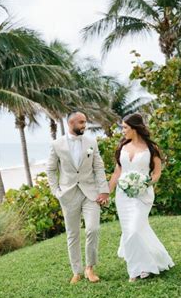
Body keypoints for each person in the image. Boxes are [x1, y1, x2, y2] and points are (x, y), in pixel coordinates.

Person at [109, 113, 174, 282]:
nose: (122, 131)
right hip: (122, 196)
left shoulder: (152, 148)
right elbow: (117, 172)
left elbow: (157, 173)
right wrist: (107, 192)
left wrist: (144, 184)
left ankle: (135, 270)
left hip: (143, 195)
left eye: (125, 127)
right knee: (132, 231)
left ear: (135, 128)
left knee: (134, 230)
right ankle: (142, 267)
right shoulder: (122, 146)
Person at [47, 111, 109, 284]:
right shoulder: (56, 144)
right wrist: (56, 191)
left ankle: (90, 267)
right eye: (81, 122)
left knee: (93, 229)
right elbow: (51, 170)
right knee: (72, 233)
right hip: (68, 194)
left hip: (91, 193)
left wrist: (103, 190)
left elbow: (99, 167)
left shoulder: (91, 142)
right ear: (71, 123)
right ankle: (76, 271)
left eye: (85, 122)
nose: (84, 125)